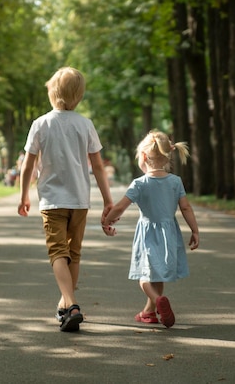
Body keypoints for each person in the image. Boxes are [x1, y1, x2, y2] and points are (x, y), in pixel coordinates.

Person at [17, 67, 113, 332]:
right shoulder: (86, 124)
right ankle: (65, 305)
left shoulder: (41, 123)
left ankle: (71, 303)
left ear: (52, 93)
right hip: (80, 199)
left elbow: (28, 166)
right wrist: (108, 200)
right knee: (74, 253)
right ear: (79, 97)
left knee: (58, 252)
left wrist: (24, 194)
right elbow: (98, 166)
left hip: (52, 200)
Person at [102, 130, 199, 328]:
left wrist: (107, 221)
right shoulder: (175, 181)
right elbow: (186, 207)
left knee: (144, 276)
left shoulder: (140, 183)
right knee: (158, 274)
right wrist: (195, 231)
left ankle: (158, 300)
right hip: (169, 233)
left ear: (144, 157)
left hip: (147, 234)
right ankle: (149, 312)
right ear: (167, 156)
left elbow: (120, 207)